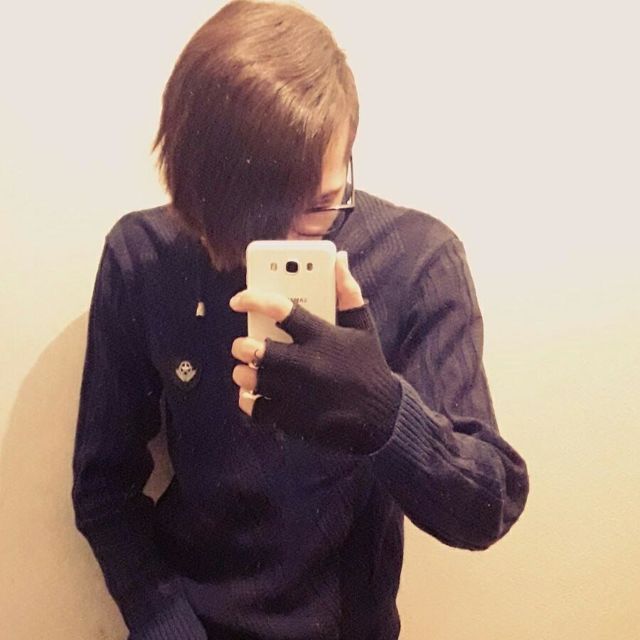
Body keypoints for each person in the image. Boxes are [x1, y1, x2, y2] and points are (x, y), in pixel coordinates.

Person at [71, 1, 529, 639]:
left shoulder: (418, 260)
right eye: (252, 213)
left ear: (349, 148)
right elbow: (103, 489)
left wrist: (382, 412)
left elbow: (487, 509)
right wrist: (167, 627)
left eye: (318, 204)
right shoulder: (145, 257)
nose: (288, 237)